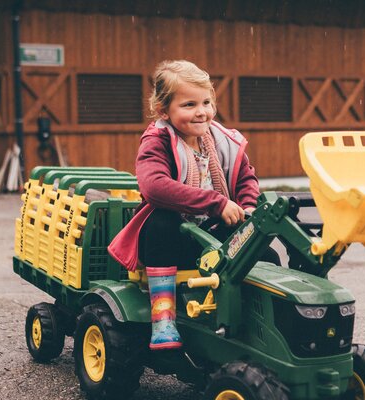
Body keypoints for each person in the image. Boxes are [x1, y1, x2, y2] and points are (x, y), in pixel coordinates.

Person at [108, 60, 260, 350]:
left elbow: (245, 177)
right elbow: (153, 186)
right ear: (164, 110)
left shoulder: (223, 141)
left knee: (258, 244)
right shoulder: (158, 140)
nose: (201, 111)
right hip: (174, 239)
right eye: (189, 104)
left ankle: (250, 317)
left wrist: (248, 207)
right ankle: (163, 317)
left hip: (212, 234)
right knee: (161, 221)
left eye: (206, 102)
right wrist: (216, 202)